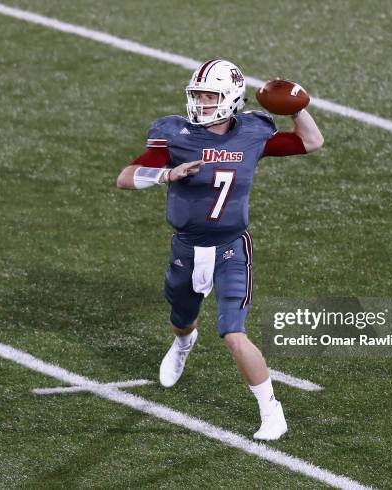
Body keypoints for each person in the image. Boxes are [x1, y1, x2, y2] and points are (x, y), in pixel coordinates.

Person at [116, 59, 323, 440]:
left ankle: (271, 411)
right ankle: (182, 344)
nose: (202, 103)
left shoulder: (252, 132)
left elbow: (311, 142)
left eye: (210, 96)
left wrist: (297, 107)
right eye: (197, 95)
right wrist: (166, 174)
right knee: (182, 317)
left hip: (231, 247)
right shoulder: (174, 133)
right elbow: (125, 177)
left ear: (229, 98)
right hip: (187, 246)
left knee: (232, 331)